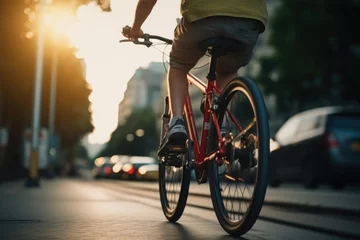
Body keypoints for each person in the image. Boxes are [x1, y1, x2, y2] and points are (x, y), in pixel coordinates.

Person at [123, 0, 268, 156]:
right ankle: (222, 125)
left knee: (178, 65)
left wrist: (135, 28)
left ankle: (177, 122)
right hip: (250, 20)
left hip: (203, 14)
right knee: (227, 70)